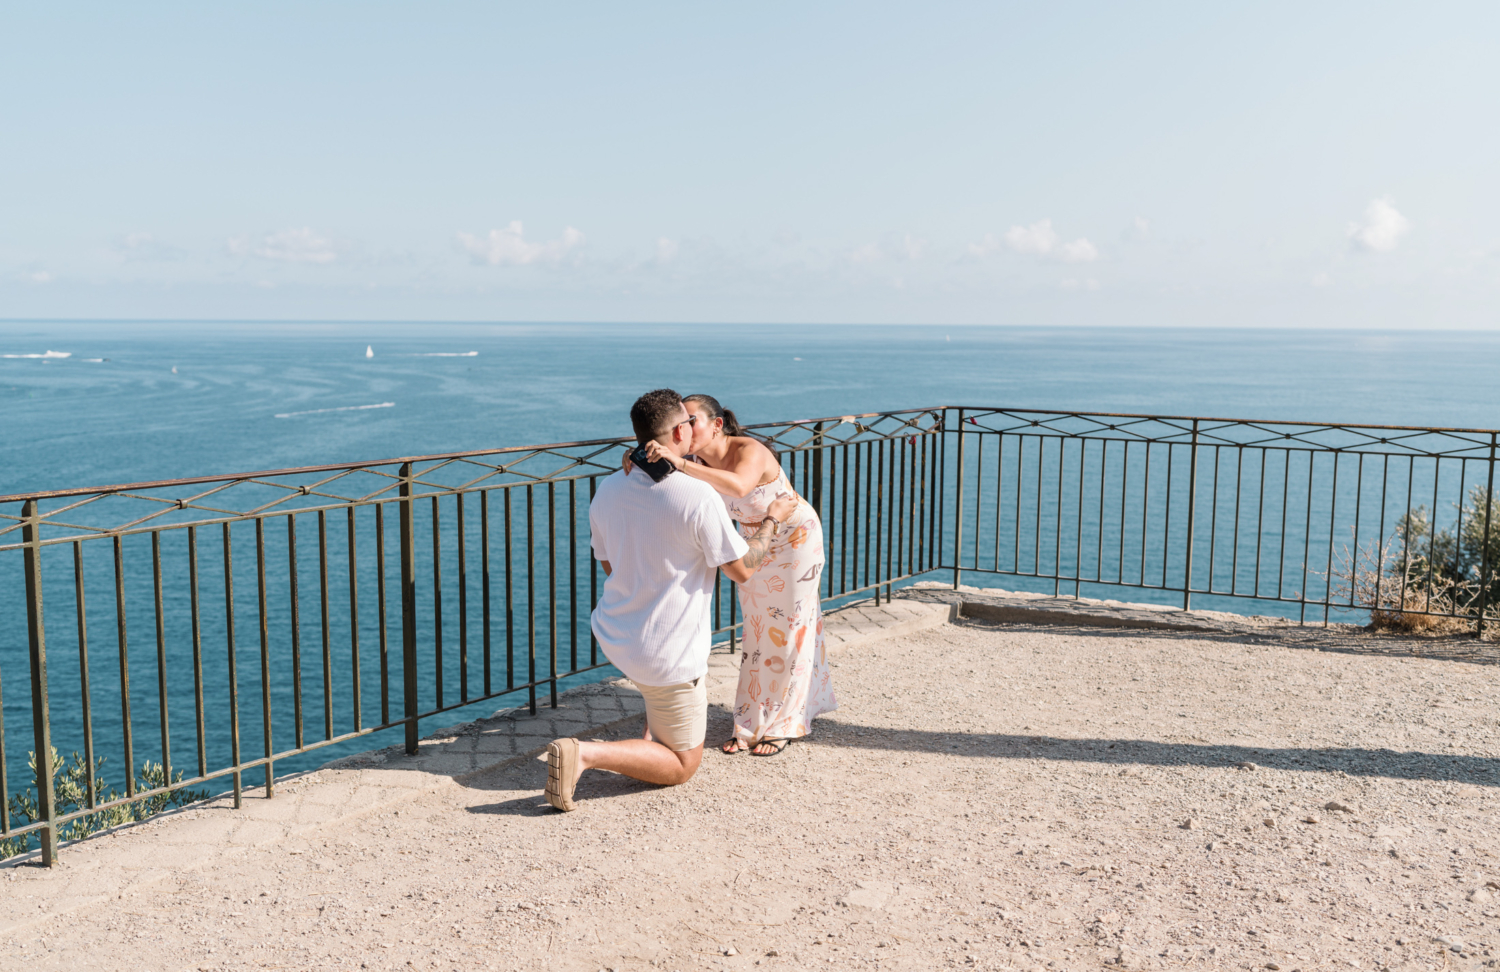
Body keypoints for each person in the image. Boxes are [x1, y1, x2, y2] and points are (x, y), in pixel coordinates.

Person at [545, 389, 796, 812]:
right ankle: (584, 754)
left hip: (616, 631)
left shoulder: (608, 488)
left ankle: (657, 726)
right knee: (682, 764)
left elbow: (608, 561)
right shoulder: (697, 497)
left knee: (660, 699)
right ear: (680, 431)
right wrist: (772, 519)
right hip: (667, 653)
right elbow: (744, 568)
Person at [633, 393, 837, 757]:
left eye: (691, 420)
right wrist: (634, 457)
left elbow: (739, 487)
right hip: (754, 542)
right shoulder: (692, 459)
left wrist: (677, 462)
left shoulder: (749, 450)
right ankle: (749, 720)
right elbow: (647, 471)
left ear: (716, 425)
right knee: (759, 631)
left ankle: (784, 723)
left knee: (790, 627)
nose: (684, 427)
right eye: (681, 422)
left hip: (795, 538)